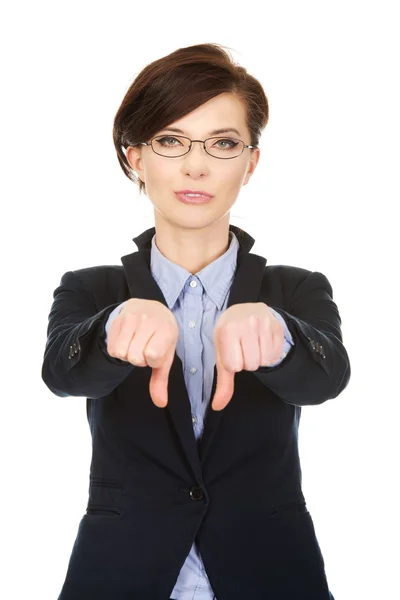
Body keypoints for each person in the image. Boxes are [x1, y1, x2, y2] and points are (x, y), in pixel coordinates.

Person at [41, 42, 350, 600]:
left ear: (251, 161)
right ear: (136, 156)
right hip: (121, 575)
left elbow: (327, 378)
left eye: (223, 143)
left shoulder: (297, 288)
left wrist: (279, 337)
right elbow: (63, 375)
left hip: (272, 574)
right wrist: (112, 329)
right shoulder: (91, 288)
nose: (196, 165)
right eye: (169, 140)